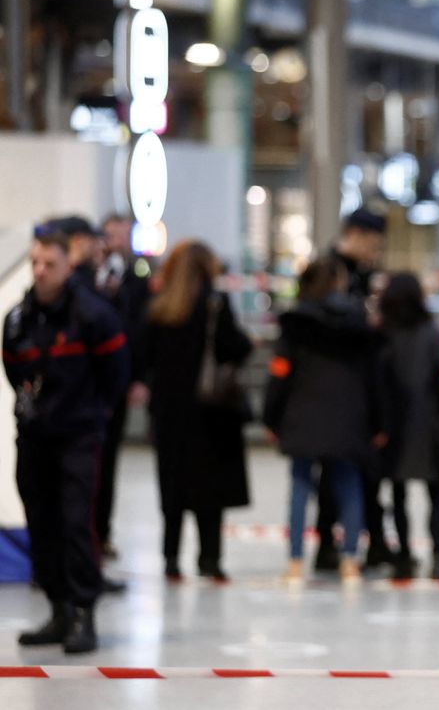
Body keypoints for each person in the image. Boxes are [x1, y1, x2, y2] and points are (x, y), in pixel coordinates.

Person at [3, 227, 129, 654]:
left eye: (49, 264)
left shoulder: (92, 315)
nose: (40, 272)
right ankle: (58, 610)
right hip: (35, 436)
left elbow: (115, 374)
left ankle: (83, 614)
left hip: (78, 436)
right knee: (42, 523)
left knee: (77, 524)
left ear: (67, 266)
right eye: (35, 263)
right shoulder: (19, 318)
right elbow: (15, 372)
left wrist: (94, 415)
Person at [138, 241, 253, 582]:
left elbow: (142, 356)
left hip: (169, 412)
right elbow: (236, 347)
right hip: (210, 412)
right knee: (210, 490)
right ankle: (210, 559)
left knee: (172, 487)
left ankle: (171, 559)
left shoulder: (159, 309)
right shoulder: (215, 305)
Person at [264, 258, 384, 584]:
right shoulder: (358, 322)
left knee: (301, 486)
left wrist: (271, 416)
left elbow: (280, 373)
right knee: (349, 485)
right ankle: (349, 560)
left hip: (302, 412)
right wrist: (378, 421)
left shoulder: (296, 322)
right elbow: (373, 377)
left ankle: (294, 562)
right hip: (348, 414)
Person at [378, 272, 439, 580]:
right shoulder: (431, 333)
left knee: (398, 493)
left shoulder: (384, 334)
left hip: (394, 426)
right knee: (435, 493)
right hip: (428, 423)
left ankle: (403, 555)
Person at [313, 208, 390, 571]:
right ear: (356, 235)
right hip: (334, 385)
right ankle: (327, 541)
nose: (376, 252)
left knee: (370, 469)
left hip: (367, 386)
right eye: (373, 243)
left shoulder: (367, 274)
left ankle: (374, 541)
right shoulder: (329, 270)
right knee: (332, 470)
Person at [93, 213, 150, 562]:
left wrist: (138, 377)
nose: (116, 240)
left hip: (117, 376)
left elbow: (140, 329)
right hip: (89, 383)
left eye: (122, 234)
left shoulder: (137, 276)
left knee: (109, 459)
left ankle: (102, 532)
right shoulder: (87, 281)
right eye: (111, 234)